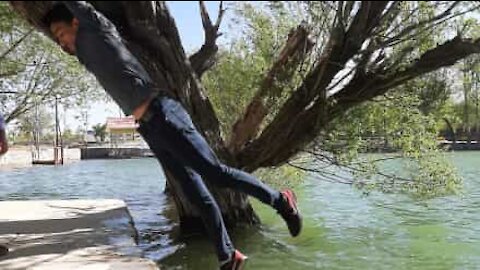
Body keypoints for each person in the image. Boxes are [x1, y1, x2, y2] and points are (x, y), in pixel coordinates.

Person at [43, 2, 302, 269]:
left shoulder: (97, 28)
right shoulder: (84, 54)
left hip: (165, 113)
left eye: (61, 33)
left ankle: (281, 201)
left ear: (76, 21)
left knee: (214, 172)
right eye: (56, 38)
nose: (61, 41)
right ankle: (228, 256)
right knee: (194, 193)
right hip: (149, 127)